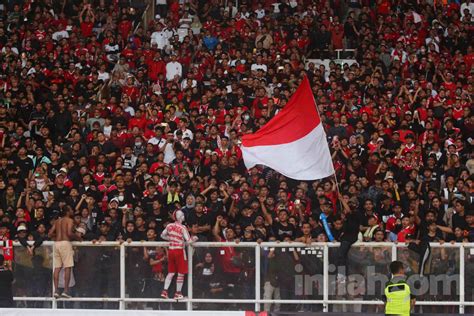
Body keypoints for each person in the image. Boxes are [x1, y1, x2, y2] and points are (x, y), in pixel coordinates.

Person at [160, 210, 197, 299]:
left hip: (171, 251)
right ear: (181, 217)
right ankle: (178, 293)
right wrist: (195, 238)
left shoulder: (169, 225)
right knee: (181, 273)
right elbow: (189, 241)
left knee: (171, 272)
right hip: (180, 251)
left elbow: (162, 235)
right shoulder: (183, 227)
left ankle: (164, 291)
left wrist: (172, 239)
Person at [48, 206, 77, 298]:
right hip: (65, 243)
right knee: (67, 267)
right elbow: (69, 233)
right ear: (68, 211)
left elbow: (50, 234)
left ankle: (56, 290)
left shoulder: (57, 221)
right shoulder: (69, 220)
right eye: (71, 210)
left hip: (56, 243)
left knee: (57, 268)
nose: (72, 211)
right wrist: (78, 237)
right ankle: (66, 290)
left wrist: (59, 234)